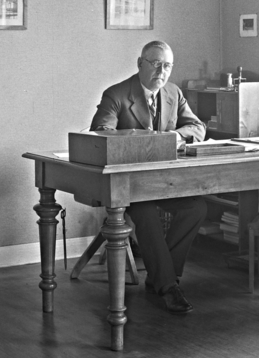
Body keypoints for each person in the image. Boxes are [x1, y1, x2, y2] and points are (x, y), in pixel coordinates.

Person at [89, 41, 207, 315]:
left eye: (167, 66)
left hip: (164, 181)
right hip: (129, 185)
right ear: (140, 63)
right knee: (145, 213)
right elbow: (101, 133)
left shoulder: (173, 93)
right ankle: (168, 287)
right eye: (155, 64)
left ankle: (161, 277)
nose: (161, 71)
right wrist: (146, 141)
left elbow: (197, 127)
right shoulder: (116, 94)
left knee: (197, 208)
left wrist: (176, 135)